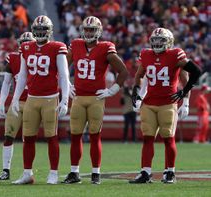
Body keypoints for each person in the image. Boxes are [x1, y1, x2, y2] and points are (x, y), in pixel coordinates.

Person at [129, 27, 201, 184]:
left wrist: (185, 98)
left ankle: (170, 172)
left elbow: (189, 74)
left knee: (168, 138)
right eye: (154, 40)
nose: (157, 43)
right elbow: (139, 75)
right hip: (149, 103)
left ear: (169, 41)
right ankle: (145, 172)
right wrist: (136, 92)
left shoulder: (175, 55)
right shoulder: (146, 54)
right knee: (147, 138)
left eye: (160, 40)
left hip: (168, 103)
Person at [62, 16, 128, 184]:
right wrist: (67, 84)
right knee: (75, 136)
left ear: (98, 31)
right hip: (78, 97)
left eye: (92, 29)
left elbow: (123, 71)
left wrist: (112, 90)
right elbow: (62, 67)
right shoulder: (76, 44)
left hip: (96, 98)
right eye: (87, 29)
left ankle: (95, 173)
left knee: (94, 136)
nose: (89, 32)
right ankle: (74, 173)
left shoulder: (106, 47)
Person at [11, 15, 70, 185]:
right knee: (28, 137)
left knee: (51, 137)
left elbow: (64, 75)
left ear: (49, 31)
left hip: (50, 99)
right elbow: (22, 75)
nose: (40, 33)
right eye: (37, 30)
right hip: (31, 98)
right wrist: (15, 98)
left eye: (43, 29)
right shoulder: (26, 47)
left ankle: (53, 173)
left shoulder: (57, 47)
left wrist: (64, 99)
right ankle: (27, 173)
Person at [0, 32, 36, 181]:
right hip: (17, 103)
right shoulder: (13, 58)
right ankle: (6, 170)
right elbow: (6, 83)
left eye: (28, 42)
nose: (25, 44)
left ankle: (28, 171)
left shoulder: (39, 57)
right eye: (23, 42)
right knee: (8, 136)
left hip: (34, 101)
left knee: (29, 139)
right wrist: (1, 102)